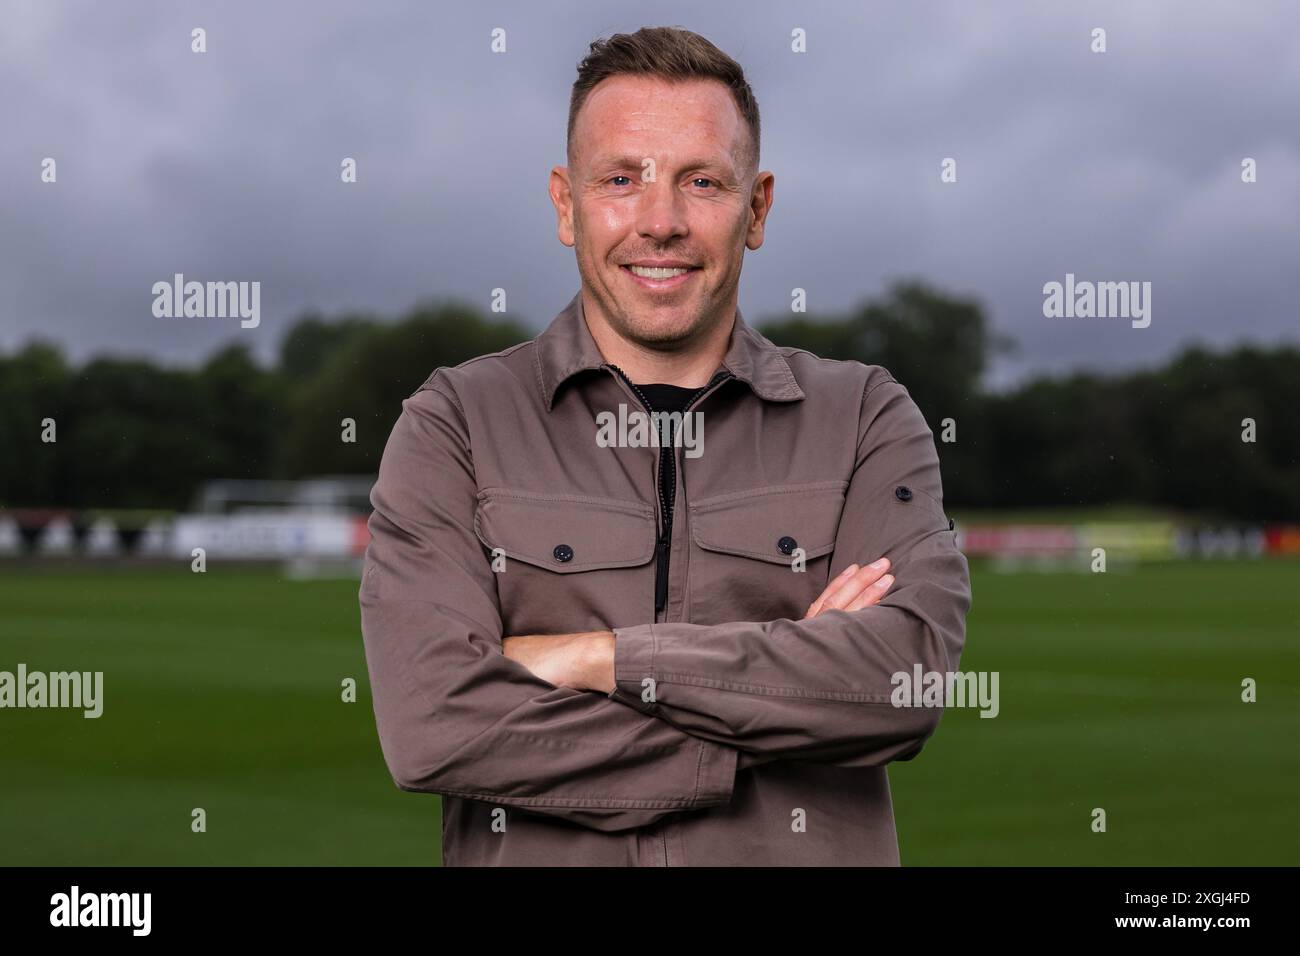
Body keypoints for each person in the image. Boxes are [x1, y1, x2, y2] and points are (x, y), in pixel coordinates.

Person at [359, 25, 971, 866]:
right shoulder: (455, 421)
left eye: (702, 182)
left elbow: (902, 683)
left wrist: (596, 659)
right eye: (620, 179)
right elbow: (434, 726)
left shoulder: (864, 414)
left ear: (755, 209)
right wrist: (774, 721)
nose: (661, 222)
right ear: (565, 204)